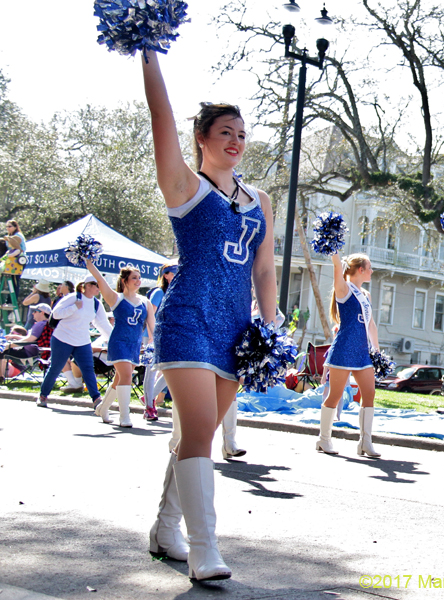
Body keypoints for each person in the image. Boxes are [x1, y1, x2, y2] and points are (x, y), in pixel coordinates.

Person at [142, 51, 276, 581]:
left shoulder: (260, 199)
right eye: (225, 132)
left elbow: (265, 271)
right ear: (202, 137)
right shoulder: (185, 187)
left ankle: (164, 528)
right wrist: (148, 53)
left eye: (241, 133)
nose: (235, 141)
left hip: (235, 330)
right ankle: (204, 549)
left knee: (193, 434)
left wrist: (268, 328)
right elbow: (158, 118)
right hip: (186, 320)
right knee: (199, 428)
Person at [315, 253, 382, 457]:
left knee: (369, 393)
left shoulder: (366, 295)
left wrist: (377, 351)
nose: (372, 271)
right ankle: (324, 439)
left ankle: (365, 442)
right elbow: (337, 268)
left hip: (362, 352)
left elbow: (370, 325)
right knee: (334, 395)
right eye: (369, 267)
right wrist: (334, 252)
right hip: (344, 349)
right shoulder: (343, 289)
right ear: (360, 270)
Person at [89, 263, 154, 428]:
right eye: (134, 278)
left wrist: (154, 344)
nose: (138, 281)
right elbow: (99, 279)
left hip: (135, 345)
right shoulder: (116, 298)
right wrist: (89, 263)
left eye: (139, 278)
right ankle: (124, 416)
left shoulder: (145, 301)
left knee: (119, 378)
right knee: (126, 376)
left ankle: (103, 408)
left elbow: (151, 326)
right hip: (118, 342)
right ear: (125, 280)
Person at [36, 275, 111, 408]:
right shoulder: (73, 298)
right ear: (88, 285)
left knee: (88, 369)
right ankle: (43, 395)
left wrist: (114, 340)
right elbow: (56, 314)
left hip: (82, 341)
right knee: (55, 367)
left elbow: (103, 324)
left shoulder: (96, 303)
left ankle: (96, 399)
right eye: (97, 285)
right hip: (62, 338)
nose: (99, 288)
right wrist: (74, 307)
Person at [143, 261, 177, 421]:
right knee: (151, 371)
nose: (176, 274)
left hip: (168, 335)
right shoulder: (158, 292)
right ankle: (149, 406)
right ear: (166, 275)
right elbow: (150, 313)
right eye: (173, 272)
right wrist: (151, 334)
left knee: (172, 369)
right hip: (152, 335)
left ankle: (150, 397)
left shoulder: (175, 291)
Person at [0, 303, 50, 378]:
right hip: (39, 351)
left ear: (42, 313)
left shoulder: (39, 325)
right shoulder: (46, 324)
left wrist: (11, 345)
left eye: (35, 311)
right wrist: (15, 336)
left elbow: (29, 340)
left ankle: (1, 376)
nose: (33, 313)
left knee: (2, 351)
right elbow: (30, 339)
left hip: (30, 354)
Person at [4, 220, 26, 298]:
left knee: (15, 281)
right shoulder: (10, 235)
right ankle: (9, 298)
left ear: (15, 227)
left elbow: (21, 249)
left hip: (18, 260)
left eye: (9, 226)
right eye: (6, 226)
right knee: (10, 281)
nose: (8, 228)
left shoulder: (18, 235)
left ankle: (13, 299)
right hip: (11, 261)